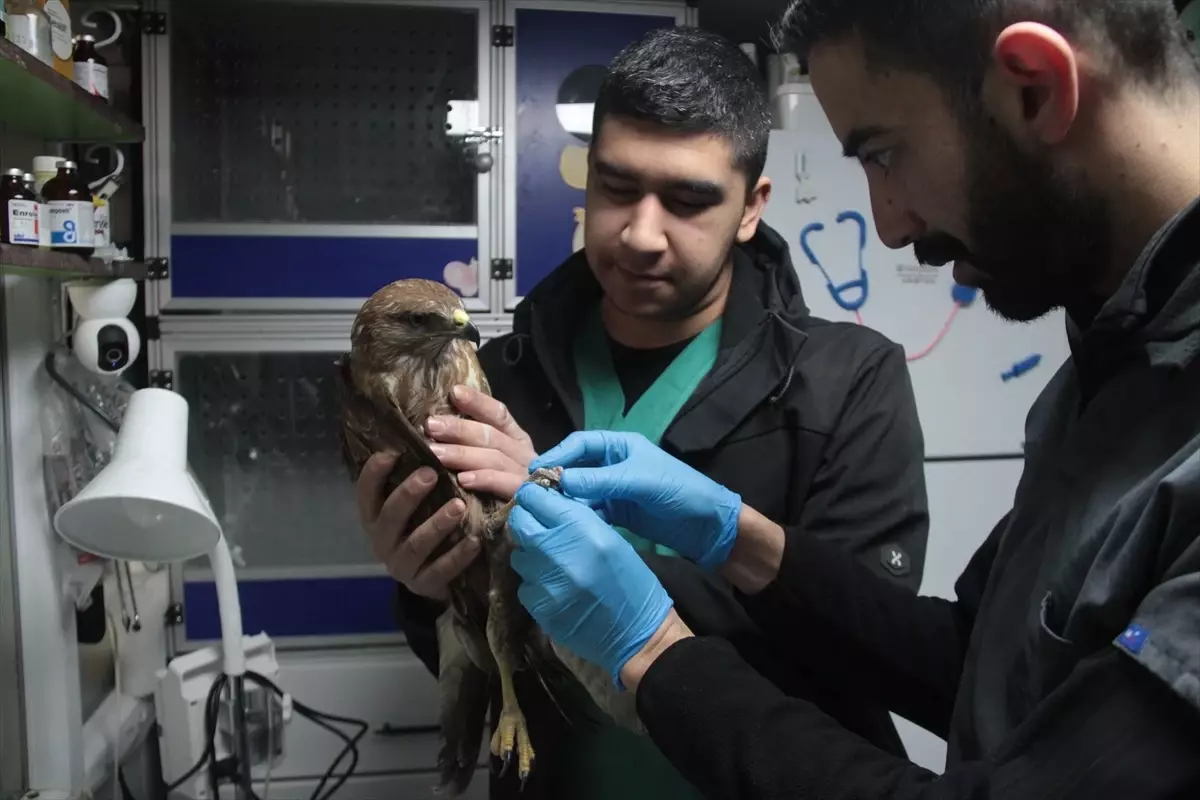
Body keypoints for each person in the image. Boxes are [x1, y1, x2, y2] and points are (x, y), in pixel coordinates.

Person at [503, 0, 1200, 797]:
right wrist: (740, 538)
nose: (890, 225)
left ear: (1035, 89)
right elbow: (975, 658)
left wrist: (653, 649)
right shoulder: (1115, 366)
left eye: (884, 154)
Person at [355, 26, 931, 800]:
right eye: (618, 188)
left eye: (689, 200)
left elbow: (864, 651)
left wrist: (616, 580)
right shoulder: (496, 379)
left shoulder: (848, 382)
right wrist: (428, 585)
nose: (641, 234)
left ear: (752, 207)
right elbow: (487, 654)